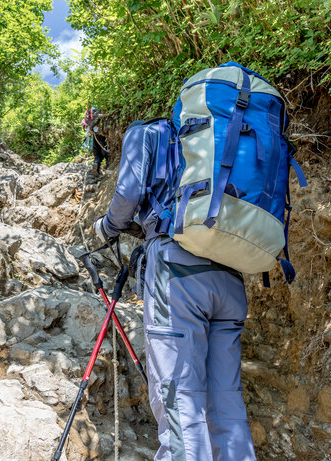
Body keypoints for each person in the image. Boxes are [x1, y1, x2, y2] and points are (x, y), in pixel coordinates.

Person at [92, 121, 256, 460]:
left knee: (181, 401)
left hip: (178, 274)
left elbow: (127, 194)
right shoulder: (222, 142)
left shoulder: (148, 133)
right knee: (227, 403)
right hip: (230, 274)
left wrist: (106, 227)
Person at [82, 105, 109, 175]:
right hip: (101, 134)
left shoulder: (91, 112)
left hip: (94, 135)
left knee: (97, 154)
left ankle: (96, 166)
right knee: (105, 152)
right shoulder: (100, 110)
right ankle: (108, 169)